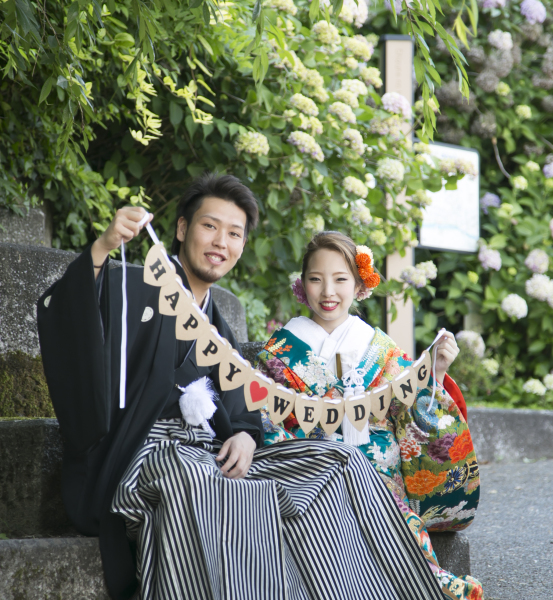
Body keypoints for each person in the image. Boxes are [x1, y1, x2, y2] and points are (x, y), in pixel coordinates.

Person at [38, 175, 447, 600]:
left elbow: (244, 410)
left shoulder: (220, 329)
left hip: (209, 455)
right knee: (203, 484)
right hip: (142, 454)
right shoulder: (133, 286)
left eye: (234, 233)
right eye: (209, 226)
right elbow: (68, 314)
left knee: (337, 461)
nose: (221, 242)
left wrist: (247, 438)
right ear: (181, 229)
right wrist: (102, 248)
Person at [256, 231, 483, 600]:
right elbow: (268, 419)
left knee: (394, 524)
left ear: (360, 285)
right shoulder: (281, 348)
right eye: (316, 279)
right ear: (302, 285)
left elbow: (412, 412)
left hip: (377, 476)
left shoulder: (380, 348)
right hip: (308, 472)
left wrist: (435, 372)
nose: (328, 291)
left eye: (340, 279)